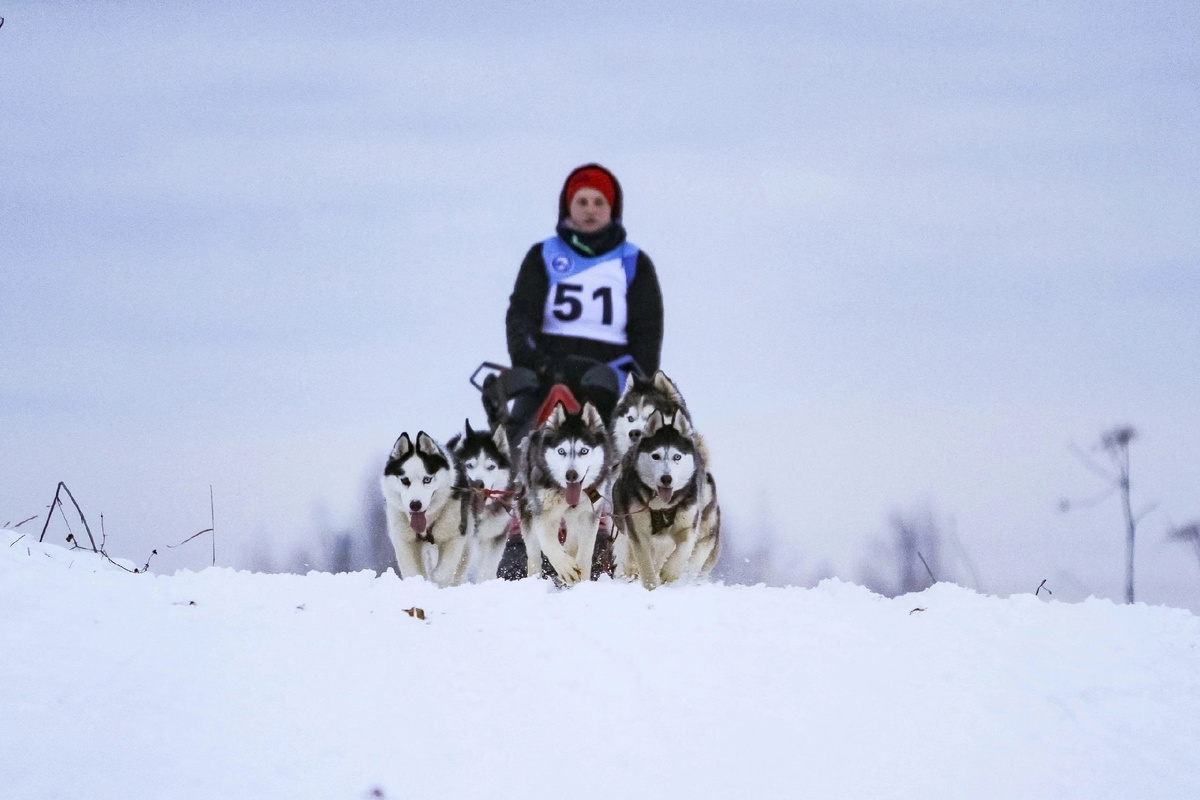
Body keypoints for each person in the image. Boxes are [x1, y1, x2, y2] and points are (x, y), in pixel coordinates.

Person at [501, 163, 664, 444]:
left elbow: (647, 331)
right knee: (513, 447)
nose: (590, 209)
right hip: (546, 375)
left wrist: (637, 384)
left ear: (612, 207)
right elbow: (521, 318)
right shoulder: (543, 255)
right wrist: (535, 364)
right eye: (582, 201)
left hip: (609, 380)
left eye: (599, 202)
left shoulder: (634, 262)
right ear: (568, 207)